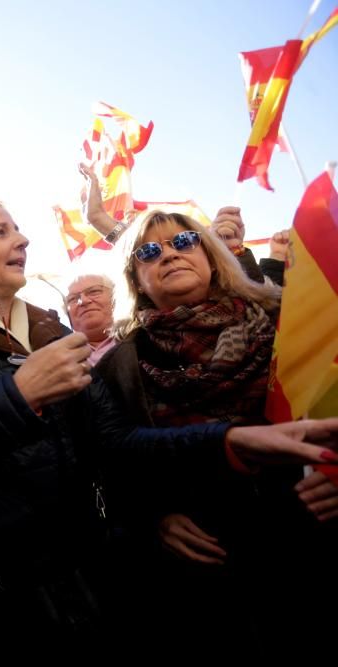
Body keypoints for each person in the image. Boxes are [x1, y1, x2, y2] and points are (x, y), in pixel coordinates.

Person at [0, 197, 338, 662]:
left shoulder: (54, 336)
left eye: (20, 230)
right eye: (0, 231)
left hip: (90, 575)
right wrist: (19, 398)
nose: (22, 239)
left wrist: (227, 441)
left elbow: (116, 442)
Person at [90, 209, 338, 657]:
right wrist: (152, 518)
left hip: (311, 542)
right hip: (205, 576)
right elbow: (110, 461)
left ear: (211, 254)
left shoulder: (285, 317)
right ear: (136, 279)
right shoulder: (118, 366)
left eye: (183, 241)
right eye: (150, 251)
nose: (168, 254)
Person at [64, 274, 117, 365]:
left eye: (94, 291)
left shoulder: (143, 336)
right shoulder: (62, 359)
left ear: (115, 297)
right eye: (73, 299)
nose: (83, 301)